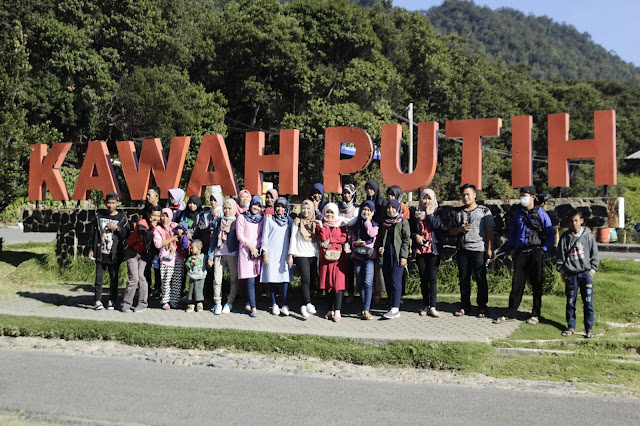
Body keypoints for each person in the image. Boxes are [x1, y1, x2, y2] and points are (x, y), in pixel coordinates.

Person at [498, 186, 555, 325]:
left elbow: (550, 234)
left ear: (533, 197)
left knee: (536, 284)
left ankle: (535, 314)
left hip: (535, 251)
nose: (523, 198)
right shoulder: (518, 214)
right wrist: (511, 248)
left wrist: (543, 249)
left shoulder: (541, 214)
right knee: (517, 284)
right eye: (521, 196)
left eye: (525, 196)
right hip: (521, 252)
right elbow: (513, 233)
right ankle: (511, 312)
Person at [448, 183, 495, 318]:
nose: (466, 197)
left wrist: (489, 248)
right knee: (463, 279)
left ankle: (482, 307)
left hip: (479, 249)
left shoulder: (484, 211)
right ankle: (465, 306)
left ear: (475, 195)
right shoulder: (458, 212)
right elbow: (451, 230)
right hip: (463, 250)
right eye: (463, 195)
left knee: (480, 279)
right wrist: (460, 230)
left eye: (468, 194)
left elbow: (490, 230)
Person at [556, 210, 599, 338]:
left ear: (581, 221)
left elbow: (595, 255)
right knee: (570, 302)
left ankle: (589, 329)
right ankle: (571, 326)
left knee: (588, 302)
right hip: (571, 274)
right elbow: (560, 256)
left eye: (576, 220)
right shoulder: (565, 237)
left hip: (585, 274)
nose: (573, 223)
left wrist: (592, 271)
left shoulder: (588, 236)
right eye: (571, 221)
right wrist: (562, 271)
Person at [88, 192, 128, 311]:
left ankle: (112, 300)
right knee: (99, 279)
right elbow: (92, 233)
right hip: (101, 252)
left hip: (114, 254)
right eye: (108, 203)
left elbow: (127, 234)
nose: (110, 205)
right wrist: (91, 248)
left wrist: (117, 228)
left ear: (117, 203)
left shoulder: (122, 217)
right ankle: (97, 300)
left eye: (113, 203)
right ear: (105, 203)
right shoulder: (99, 216)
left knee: (114, 278)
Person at [122, 204, 161, 313]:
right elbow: (144, 238)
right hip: (133, 252)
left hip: (143, 255)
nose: (156, 218)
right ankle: (126, 303)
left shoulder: (158, 226)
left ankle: (142, 303)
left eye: (158, 216)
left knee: (141, 277)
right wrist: (152, 229)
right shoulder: (142, 223)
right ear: (149, 215)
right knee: (134, 278)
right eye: (154, 215)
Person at [375, 199, 410, 319]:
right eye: (388, 208)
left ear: (397, 208)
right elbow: (380, 239)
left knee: (396, 280)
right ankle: (391, 304)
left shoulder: (403, 222)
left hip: (397, 253)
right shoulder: (384, 223)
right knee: (388, 280)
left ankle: (396, 307)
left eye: (393, 207)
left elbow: (406, 240)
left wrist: (404, 256)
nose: (390, 210)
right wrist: (380, 248)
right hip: (386, 254)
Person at [411, 188, 443, 318]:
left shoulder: (438, 212)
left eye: (429, 198)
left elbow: (436, 225)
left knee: (432, 278)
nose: (426, 201)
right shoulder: (416, 213)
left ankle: (433, 306)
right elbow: (412, 230)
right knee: (423, 278)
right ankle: (425, 305)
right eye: (424, 198)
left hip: (433, 249)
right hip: (420, 249)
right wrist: (415, 236)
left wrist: (429, 214)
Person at [261, 197, 294, 316]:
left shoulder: (289, 221)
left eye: (282, 206)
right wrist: (264, 253)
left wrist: (291, 254)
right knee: (272, 278)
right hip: (272, 253)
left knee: (285, 279)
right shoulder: (269, 220)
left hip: (284, 253)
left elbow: (293, 237)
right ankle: (274, 304)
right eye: (278, 206)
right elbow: (264, 237)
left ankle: (285, 304)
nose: (280, 209)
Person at [316, 203, 347, 322]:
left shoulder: (341, 225)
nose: (329, 215)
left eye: (332, 212)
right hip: (325, 258)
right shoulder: (322, 225)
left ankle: (338, 310)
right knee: (328, 284)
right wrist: (322, 227)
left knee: (338, 284)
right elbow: (322, 239)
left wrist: (331, 240)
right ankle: (330, 310)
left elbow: (343, 238)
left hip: (338, 259)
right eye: (327, 212)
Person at [288, 199, 319, 319]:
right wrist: (290, 255)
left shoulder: (315, 223)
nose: (306, 211)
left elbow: (318, 241)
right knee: (305, 279)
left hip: (313, 255)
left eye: (308, 209)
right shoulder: (297, 222)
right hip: (301, 254)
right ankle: (308, 303)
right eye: (304, 208)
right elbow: (293, 240)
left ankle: (303, 305)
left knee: (311, 282)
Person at [208, 199, 239, 314]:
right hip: (219, 253)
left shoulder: (236, 221)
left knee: (233, 279)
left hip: (232, 254)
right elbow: (214, 239)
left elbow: (239, 241)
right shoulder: (219, 221)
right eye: (225, 208)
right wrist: (211, 255)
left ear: (234, 209)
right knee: (217, 280)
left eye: (229, 208)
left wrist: (238, 258)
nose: (227, 210)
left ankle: (229, 302)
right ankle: (218, 303)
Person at [236, 195, 264, 317]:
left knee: (254, 279)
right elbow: (240, 235)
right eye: (255, 204)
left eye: (259, 205)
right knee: (250, 280)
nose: (256, 207)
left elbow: (261, 235)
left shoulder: (262, 220)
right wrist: (250, 247)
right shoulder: (242, 217)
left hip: (256, 253)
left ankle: (248, 302)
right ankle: (253, 307)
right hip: (246, 252)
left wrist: (257, 249)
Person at [351, 200, 378, 319]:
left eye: (368, 210)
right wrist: (355, 243)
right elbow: (352, 239)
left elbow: (372, 234)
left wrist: (367, 222)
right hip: (357, 256)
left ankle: (367, 309)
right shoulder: (357, 224)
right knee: (360, 282)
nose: (365, 212)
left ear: (372, 212)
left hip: (369, 257)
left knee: (368, 282)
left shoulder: (374, 224)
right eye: (364, 209)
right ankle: (363, 309)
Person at [153, 208, 181, 309]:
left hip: (178, 258)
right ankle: (165, 301)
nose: (164, 218)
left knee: (176, 281)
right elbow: (158, 244)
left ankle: (174, 300)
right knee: (166, 280)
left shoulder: (175, 227)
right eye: (163, 215)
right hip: (166, 258)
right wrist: (172, 239)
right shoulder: (158, 229)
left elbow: (183, 234)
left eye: (167, 216)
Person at [338, 184, 359, 304]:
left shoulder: (356, 208)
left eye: (348, 193)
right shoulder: (338, 207)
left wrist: (340, 220)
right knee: (341, 268)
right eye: (344, 193)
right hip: (339, 241)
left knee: (351, 269)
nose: (346, 195)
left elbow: (352, 222)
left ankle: (352, 293)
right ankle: (341, 291)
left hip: (351, 242)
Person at [185, 240, 207, 312]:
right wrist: (191, 264)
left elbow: (207, 266)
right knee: (191, 289)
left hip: (200, 276)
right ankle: (191, 303)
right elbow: (187, 265)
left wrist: (209, 264)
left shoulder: (203, 257)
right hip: (192, 276)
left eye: (192, 248)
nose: (191, 249)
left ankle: (199, 303)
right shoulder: (191, 258)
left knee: (199, 289)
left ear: (199, 248)